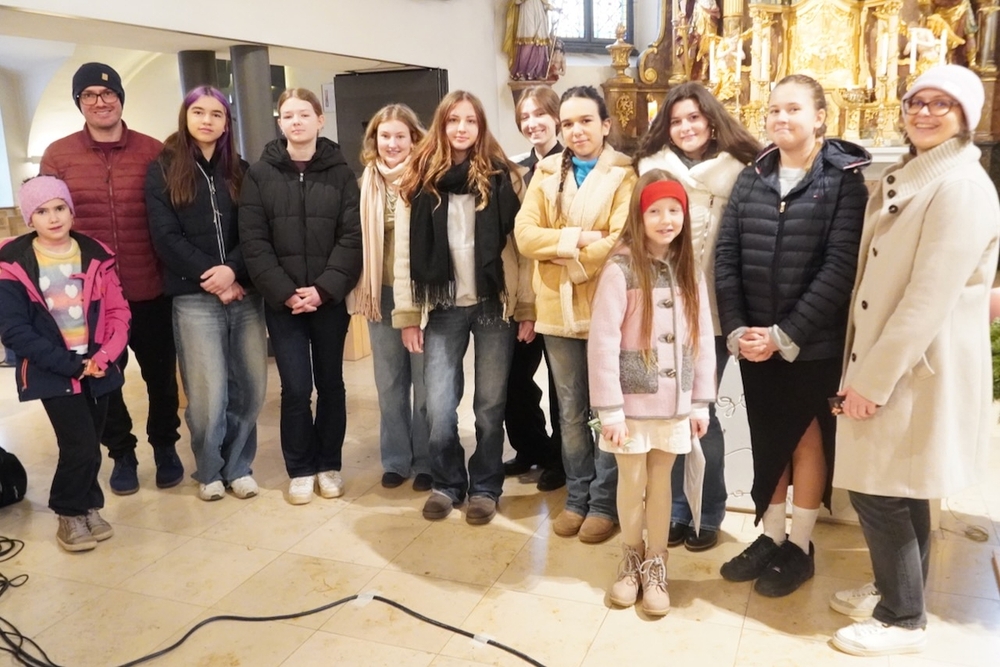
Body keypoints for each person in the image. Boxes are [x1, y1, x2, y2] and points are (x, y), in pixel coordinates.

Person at [830, 65, 1000, 657]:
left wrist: (872, 381)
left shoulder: (961, 188)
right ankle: (894, 590)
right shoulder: (920, 174)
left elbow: (927, 299)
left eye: (940, 104)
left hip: (916, 365)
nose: (924, 113)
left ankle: (902, 619)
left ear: (965, 117)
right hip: (898, 358)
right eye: (915, 102)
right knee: (900, 486)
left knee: (879, 489)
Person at [714, 74, 870, 597]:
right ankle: (771, 536)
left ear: (820, 117)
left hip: (812, 342)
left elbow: (840, 267)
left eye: (794, 109)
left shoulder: (844, 181)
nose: (781, 118)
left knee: (804, 438)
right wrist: (738, 328)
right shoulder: (753, 176)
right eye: (774, 110)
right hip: (754, 338)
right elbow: (727, 256)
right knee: (767, 439)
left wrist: (785, 334)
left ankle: (799, 546)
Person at [40, 62, 183, 496]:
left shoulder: (154, 150)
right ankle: (121, 452)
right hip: (89, 298)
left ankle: (165, 446)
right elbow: (46, 221)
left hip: (150, 287)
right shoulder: (59, 155)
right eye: (89, 95)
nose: (100, 102)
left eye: (108, 94)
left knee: (161, 378)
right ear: (79, 103)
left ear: (121, 98)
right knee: (103, 380)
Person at [635, 81, 761, 552]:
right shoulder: (650, 171)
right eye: (676, 121)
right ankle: (674, 509)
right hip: (660, 313)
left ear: (711, 120)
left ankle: (708, 511)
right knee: (665, 413)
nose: (686, 127)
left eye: (694, 117)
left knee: (700, 415)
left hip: (713, 312)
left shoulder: (740, 171)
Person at [393, 90, 529, 525]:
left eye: (470, 120)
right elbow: (403, 254)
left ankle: (485, 486)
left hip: (493, 304)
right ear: (442, 125)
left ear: (480, 126)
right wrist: (407, 315)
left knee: (489, 406)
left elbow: (521, 249)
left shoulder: (505, 176)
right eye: (453, 120)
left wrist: (526, 306)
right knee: (438, 405)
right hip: (442, 305)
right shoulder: (419, 178)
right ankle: (447, 483)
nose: (461, 128)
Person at [589, 171, 715, 616]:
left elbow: (702, 337)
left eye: (674, 210)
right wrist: (610, 410)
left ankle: (656, 563)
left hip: (675, 401)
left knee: (662, 481)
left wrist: (700, 400)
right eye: (655, 211)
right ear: (639, 216)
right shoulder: (620, 268)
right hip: (630, 402)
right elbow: (602, 342)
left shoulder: (688, 269)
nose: (666, 219)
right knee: (632, 480)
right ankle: (630, 558)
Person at [515, 85, 637, 544]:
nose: (576, 130)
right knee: (569, 409)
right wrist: (580, 239)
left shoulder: (625, 175)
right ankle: (577, 495)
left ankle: (605, 502)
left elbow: (621, 239)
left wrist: (562, 254)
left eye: (586, 120)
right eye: (567, 123)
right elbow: (526, 236)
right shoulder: (546, 172)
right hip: (556, 308)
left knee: (607, 408)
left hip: (607, 306)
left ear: (605, 125)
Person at [239, 88, 362, 506]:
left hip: (328, 300)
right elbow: (254, 241)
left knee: (331, 384)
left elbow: (351, 238)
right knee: (295, 388)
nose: (296, 121)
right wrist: (286, 292)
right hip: (284, 302)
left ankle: (329, 464)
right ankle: (301, 468)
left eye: (304, 114)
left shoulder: (341, 173)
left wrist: (324, 289)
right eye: (288, 115)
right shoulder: (260, 174)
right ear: (280, 122)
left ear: (320, 120)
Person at [146, 86, 266, 502]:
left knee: (250, 387)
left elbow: (256, 230)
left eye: (217, 114)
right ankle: (211, 469)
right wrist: (212, 276)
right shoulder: (163, 169)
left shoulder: (241, 170)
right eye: (198, 112)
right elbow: (165, 236)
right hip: (193, 296)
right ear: (186, 116)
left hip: (244, 293)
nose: (207, 120)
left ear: (227, 123)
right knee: (208, 394)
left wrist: (233, 270)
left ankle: (239, 466)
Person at [0, 176, 130, 552]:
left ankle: (89, 506)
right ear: (29, 218)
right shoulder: (12, 264)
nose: (53, 218)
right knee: (80, 445)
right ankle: (68, 511)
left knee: (92, 443)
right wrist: (72, 366)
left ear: (71, 211)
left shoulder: (96, 254)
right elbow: (14, 330)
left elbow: (119, 313)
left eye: (60, 208)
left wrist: (103, 357)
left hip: (98, 367)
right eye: (42, 211)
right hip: (53, 370)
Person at [351, 103, 432, 493]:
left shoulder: (429, 178)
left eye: (401, 136)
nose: (392, 143)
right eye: (385, 136)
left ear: (415, 139)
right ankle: (397, 459)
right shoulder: (364, 183)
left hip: (422, 296)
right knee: (389, 382)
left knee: (426, 382)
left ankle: (427, 459)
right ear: (375, 139)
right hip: (381, 294)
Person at [503, 85, 565, 492]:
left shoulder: (574, 165)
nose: (532, 123)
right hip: (524, 293)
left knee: (562, 384)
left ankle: (561, 459)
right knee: (513, 380)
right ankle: (531, 447)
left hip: (559, 291)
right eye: (525, 117)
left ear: (556, 117)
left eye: (540, 114)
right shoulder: (516, 170)